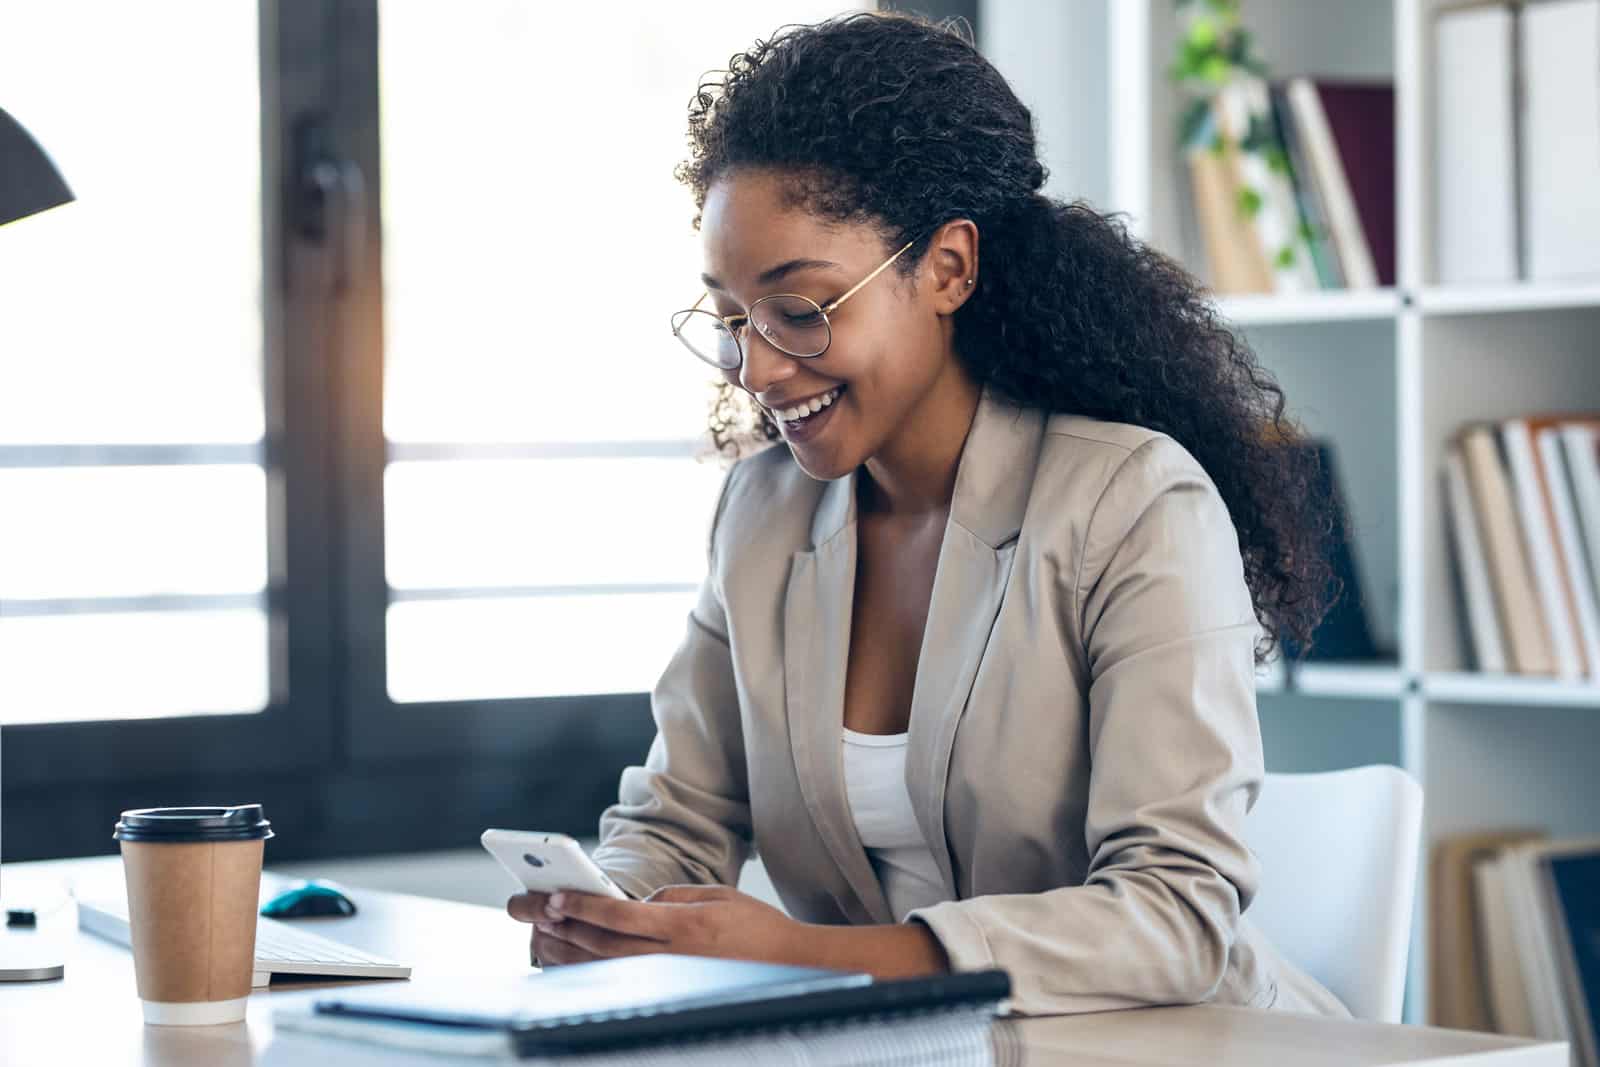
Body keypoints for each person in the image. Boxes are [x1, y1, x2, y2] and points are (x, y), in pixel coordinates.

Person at [507, 11, 1349, 1017]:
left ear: (947, 267)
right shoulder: (762, 512)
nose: (760, 367)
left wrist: (807, 955)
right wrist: (616, 911)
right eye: (731, 319)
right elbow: (681, 813)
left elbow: (1175, 916)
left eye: (801, 308)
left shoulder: (1131, 502)